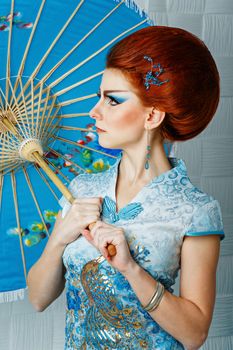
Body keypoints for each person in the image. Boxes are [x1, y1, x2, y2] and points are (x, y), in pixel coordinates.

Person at [27, 26, 225, 350]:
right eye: (98, 97)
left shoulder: (195, 210)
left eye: (113, 100)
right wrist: (61, 235)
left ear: (153, 115)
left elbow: (194, 334)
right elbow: (37, 298)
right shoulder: (81, 189)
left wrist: (131, 268)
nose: (95, 112)